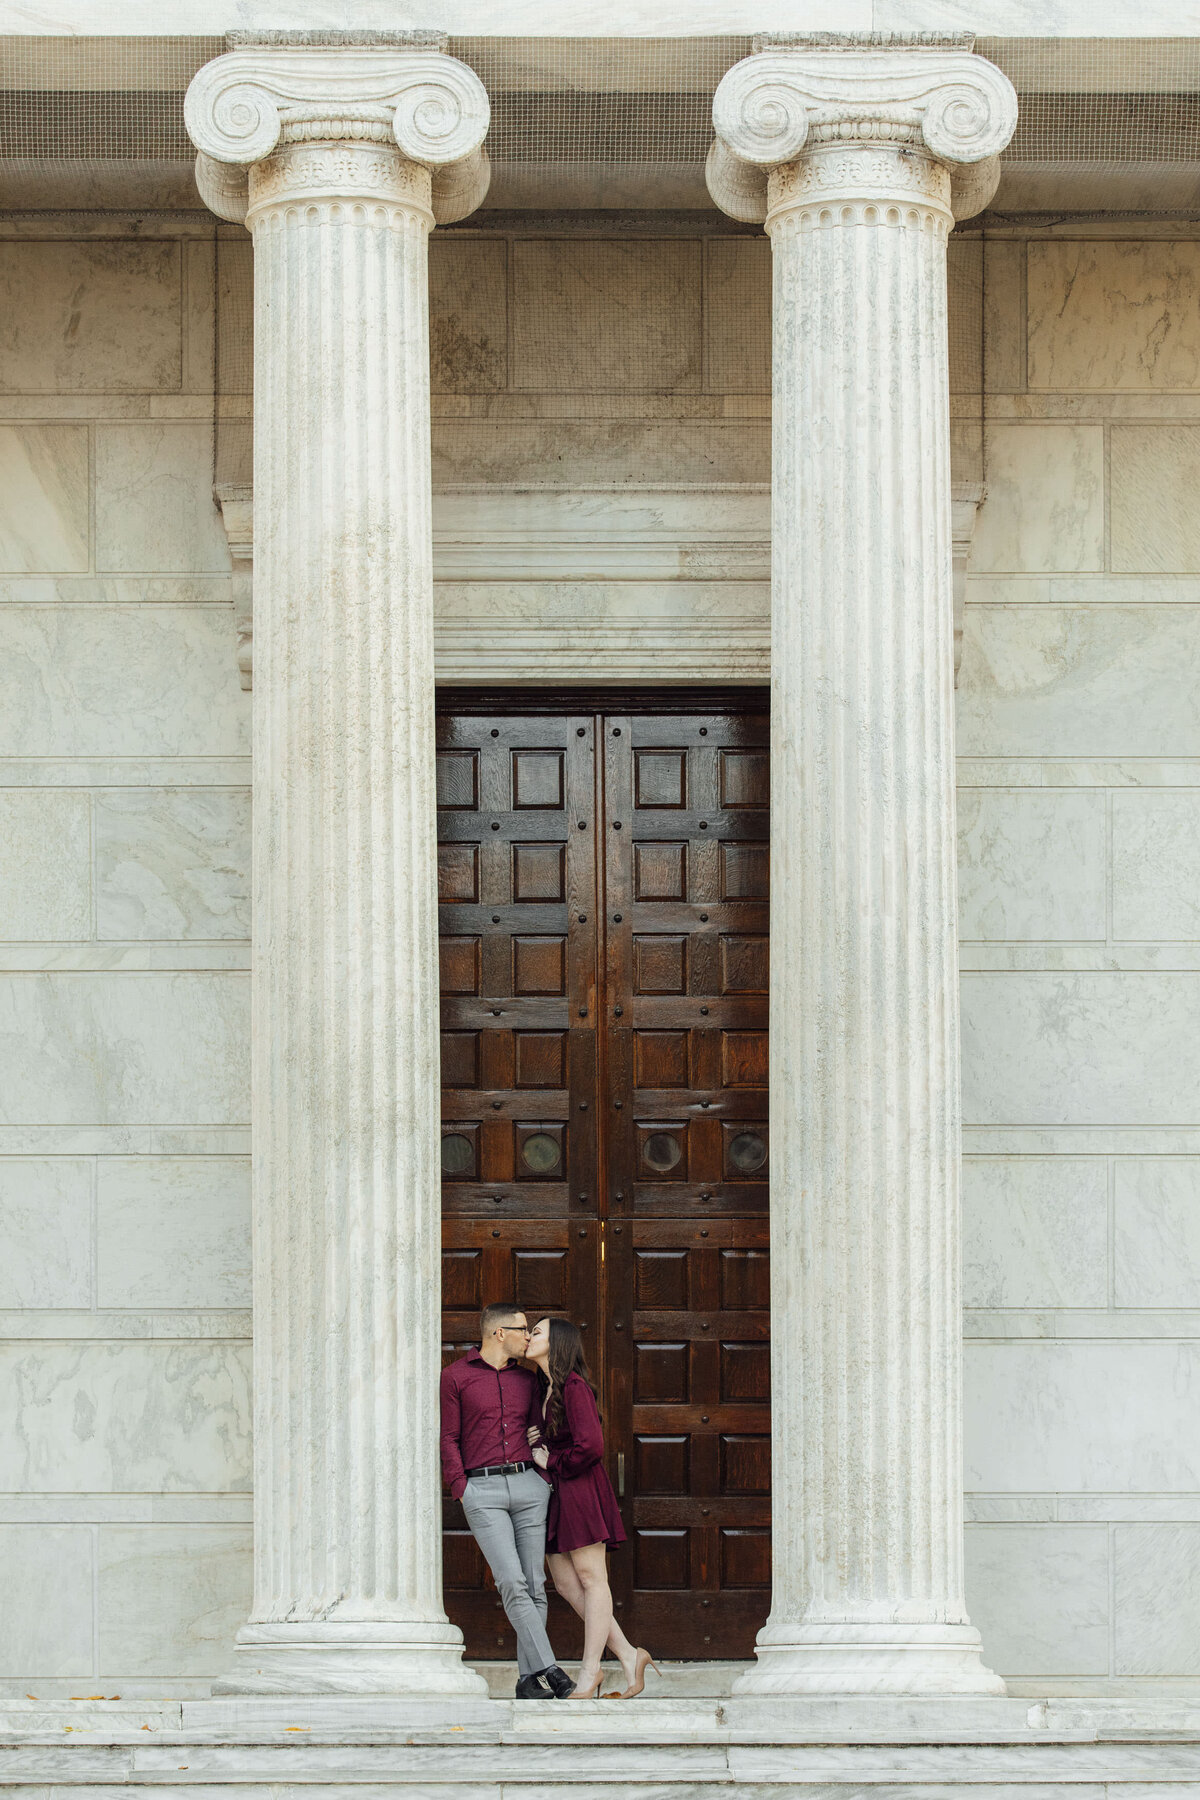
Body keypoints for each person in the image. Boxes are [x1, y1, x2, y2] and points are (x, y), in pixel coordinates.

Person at [439, 1302, 574, 1699]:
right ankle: (550, 1669)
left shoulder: (528, 1380)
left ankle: (528, 1679)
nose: (528, 1336)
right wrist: (461, 1488)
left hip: (529, 1486)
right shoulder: (455, 1377)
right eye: (523, 1329)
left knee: (534, 1584)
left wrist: (544, 1476)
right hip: (483, 1491)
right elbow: (449, 1438)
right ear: (500, 1333)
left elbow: (540, 1428)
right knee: (511, 1581)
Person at [525, 1315, 658, 1699]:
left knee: (591, 1579)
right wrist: (539, 1438)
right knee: (567, 1584)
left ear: (558, 1343)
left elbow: (592, 1446)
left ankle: (590, 1671)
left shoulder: (575, 1387)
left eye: (537, 1332)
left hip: (579, 1489)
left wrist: (551, 1460)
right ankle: (630, 1655)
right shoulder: (544, 1388)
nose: (529, 1337)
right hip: (557, 1494)